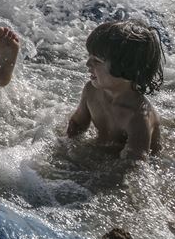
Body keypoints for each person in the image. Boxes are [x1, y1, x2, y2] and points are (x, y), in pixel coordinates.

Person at [66, 19, 164, 159]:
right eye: (89, 57)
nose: (87, 63)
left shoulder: (137, 117)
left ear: (126, 69)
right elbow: (77, 124)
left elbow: (135, 163)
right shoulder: (91, 91)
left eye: (97, 61)